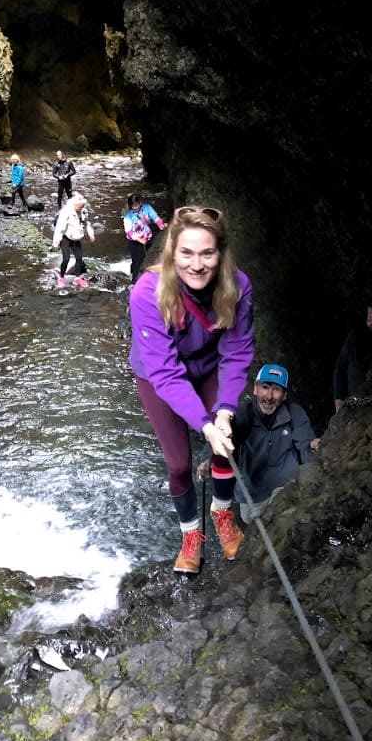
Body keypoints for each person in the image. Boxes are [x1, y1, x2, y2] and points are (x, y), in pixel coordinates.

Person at [128, 205, 254, 574]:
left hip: (208, 365)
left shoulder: (238, 286)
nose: (196, 264)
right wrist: (205, 424)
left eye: (206, 253)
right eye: (186, 253)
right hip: (158, 375)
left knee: (226, 442)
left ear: (220, 253)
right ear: (172, 253)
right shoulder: (147, 292)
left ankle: (222, 512)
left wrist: (225, 412)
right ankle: (191, 534)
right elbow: (165, 373)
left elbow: (237, 351)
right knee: (179, 463)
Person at [232, 363, 320, 524]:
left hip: (286, 484)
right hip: (252, 493)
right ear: (255, 389)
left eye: (277, 390)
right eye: (265, 387)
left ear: (284, 395)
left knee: (283, 518)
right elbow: (222, 437)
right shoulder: (243, 414)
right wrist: (207, 458)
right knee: (252, 523)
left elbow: (306, 449)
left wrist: (315, 449)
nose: (269, 396)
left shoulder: (295, 413)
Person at [333, 302, 372, 412]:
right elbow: (340, 366)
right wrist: (338, 397)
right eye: (370, 319)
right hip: (357, 402)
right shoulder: (356, 338)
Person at [51, 192, 95, 288]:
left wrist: (91, 234)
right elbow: (59, 228)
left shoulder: (83, 211)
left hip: (76, 238)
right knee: (66, 259)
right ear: (74, 204)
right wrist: (56, 242)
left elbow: (87, 223)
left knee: (79, 258)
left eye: (83, 206)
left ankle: (78, 277)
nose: (82, 208)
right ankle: (62, 277)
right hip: (66, 238)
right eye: (80, 206)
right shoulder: (66, 212)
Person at [123, 193, 167, 284]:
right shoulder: (128, 216)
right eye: (133, 206)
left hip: (147, 238)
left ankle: (138, 275)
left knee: (146, 258)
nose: (135, 207)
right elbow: (129, 232)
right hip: (134, 241)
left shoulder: (147, 208)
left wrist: (161, 225)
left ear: (140, 203)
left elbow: (155, 217)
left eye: (136, 205)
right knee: (137, 261)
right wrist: (140, 239)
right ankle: (134, 282)